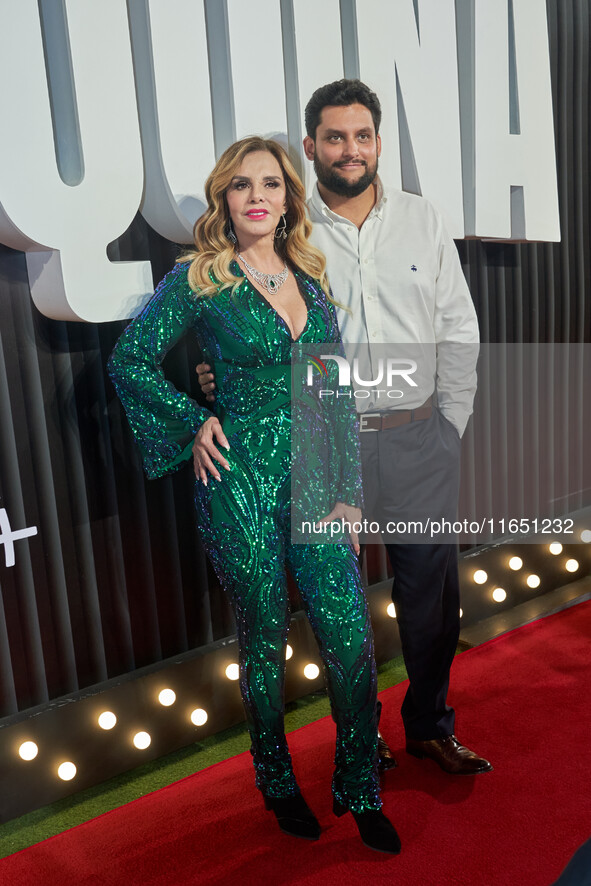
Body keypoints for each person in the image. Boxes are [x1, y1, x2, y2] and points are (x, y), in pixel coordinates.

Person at [108, 136, 401, 853]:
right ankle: (276, 784)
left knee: (350, 637)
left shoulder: (313, 277)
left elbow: (333, 394)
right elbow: (131, 361)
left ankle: (358, 784)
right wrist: (193, 419)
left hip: (319, 483)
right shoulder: (198, 280)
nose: (256, 195)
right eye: (240, 185)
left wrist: (349, 494)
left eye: (269, 182)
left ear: (288, 199)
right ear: (224, 200)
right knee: (263, 634)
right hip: (239, 479)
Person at [198, 80, 492, 777]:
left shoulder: (422, 219)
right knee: (338, 608)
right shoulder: (288, 233)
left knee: (431, 597)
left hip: (419, 439)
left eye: (361, 135)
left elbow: (457, 327)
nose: (349, 149)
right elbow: (245, 325)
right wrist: (218, 381)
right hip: (323, 446)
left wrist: (447, 424)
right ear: (311, 146)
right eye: (334, 137)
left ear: (378, 142)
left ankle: (428, 725)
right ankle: (362, 736)